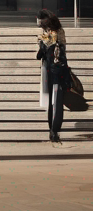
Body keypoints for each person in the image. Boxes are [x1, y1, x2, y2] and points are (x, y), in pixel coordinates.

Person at [37, 13, 69, 145]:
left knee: (52, 102)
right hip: (59, 70)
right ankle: (54, 131)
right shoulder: (60, 32)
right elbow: (63, 50)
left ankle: (53, 130)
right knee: (57, 102)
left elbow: (40, 55)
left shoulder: (46, 35)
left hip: (51, 71)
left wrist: (42, 44)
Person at [37, 9, 64, 108]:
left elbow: (50, 43)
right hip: (59, 57)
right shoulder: (56, 28)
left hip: (52, 59)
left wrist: (41, 47)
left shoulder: (51, 31)